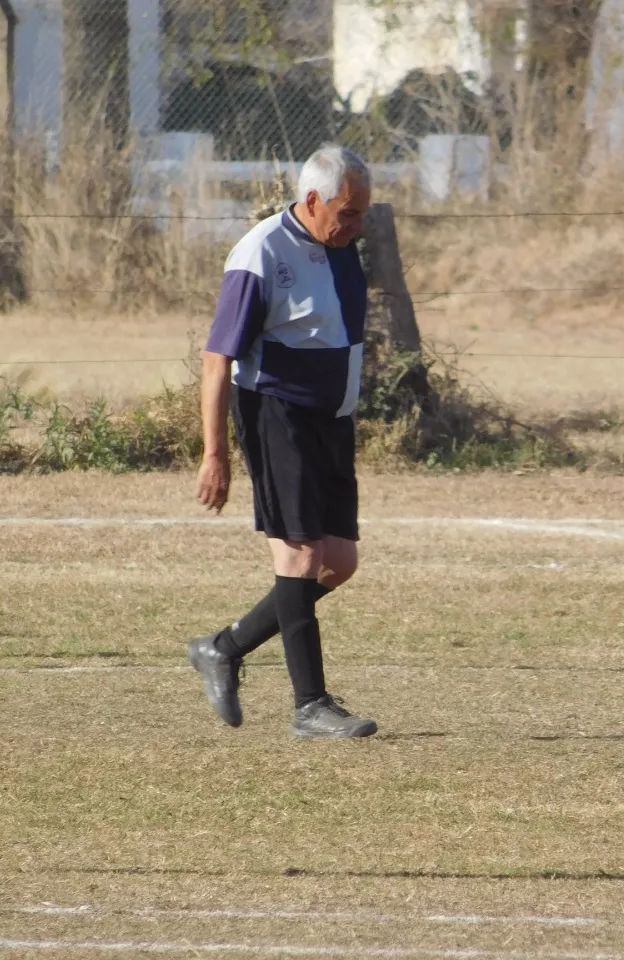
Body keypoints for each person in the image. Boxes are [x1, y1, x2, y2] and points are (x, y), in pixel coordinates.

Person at [189, 144, 377, 739]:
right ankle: (310, 705)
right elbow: (217, 358)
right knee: (297, 555)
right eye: (347, 213)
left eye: (363, 214)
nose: (356, 225)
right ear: (313, 199)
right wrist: (214, 454)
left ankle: (224, 648)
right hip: (278, 414)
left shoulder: (343, 247)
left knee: (337, 563)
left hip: (332, 420)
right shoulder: (260, 252)